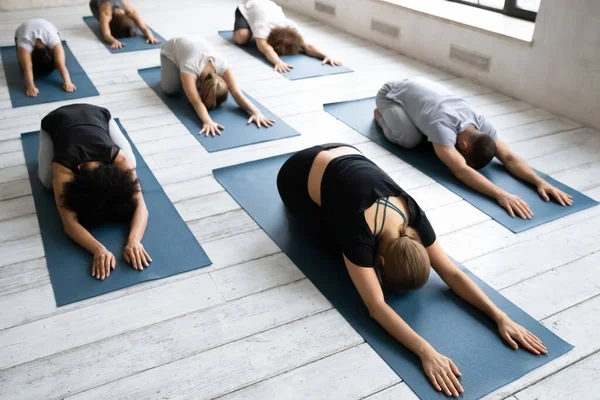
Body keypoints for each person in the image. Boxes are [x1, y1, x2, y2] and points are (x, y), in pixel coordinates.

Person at [277, 143, 547, 398]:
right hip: (296, 174)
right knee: (328, 247)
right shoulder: (358, 231)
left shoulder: (413, 216)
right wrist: (426, 352)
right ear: (378, 261)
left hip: (346, 154)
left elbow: (452, 274)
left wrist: (501, 317)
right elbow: (376, 307)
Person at [374, 78, 574, 219]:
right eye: (464, 155)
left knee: (425, 137)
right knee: (410, 140)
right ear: (462, 145)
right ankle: (381, 117)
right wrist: (501, 194)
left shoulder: (481, 125)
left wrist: (540, 182)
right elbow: (461, 170)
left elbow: (509, 157)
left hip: (418, 90)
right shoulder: (442, 127)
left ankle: (411, 115)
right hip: (391, 94)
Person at [39, 103, 151, 280]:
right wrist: (98, 249)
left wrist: (134, 241)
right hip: (56, 119)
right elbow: (69, 224)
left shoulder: (118, 158)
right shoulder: (63, 166)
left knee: (132, 162)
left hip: (98, 114)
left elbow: (142, 207)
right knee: (46, 181)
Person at [160, 36, 275, 136]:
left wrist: (256, 112)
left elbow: (236, 93)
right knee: (170, 90)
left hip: (194, 45)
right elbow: (196, 102)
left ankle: (189, 82)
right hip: (170, 51)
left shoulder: (223, 66)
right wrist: (207, 121)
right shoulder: (190, 67)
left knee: (188, 85)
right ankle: (184, 78)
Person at [232, 0, 341, 73]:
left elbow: (307, 46)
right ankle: (248, 24)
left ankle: (252, 24)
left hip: (268, 5)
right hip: (249, 7)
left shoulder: (293, 27)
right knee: (242, 38)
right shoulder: (263, 29)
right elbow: (267, 50)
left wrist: (325, 56)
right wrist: (278, 62)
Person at [14, 19, 76, 97]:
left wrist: (68, 82)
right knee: (22, 64)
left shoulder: (53, 38)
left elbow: (61, 64)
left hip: (48, 27)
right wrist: (30, 86)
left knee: (58, 60)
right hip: (22, 30)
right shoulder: (25, 42)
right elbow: (27, 67)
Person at [89, 0, 160, 49]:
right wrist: (113, 41)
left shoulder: (129, 11)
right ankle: (106, 24)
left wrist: (150, 36)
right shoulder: (106, 13)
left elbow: (143, 27)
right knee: (103, 20)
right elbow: (106, 35)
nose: (121, 11)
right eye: (121, 12)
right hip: (95, 6)